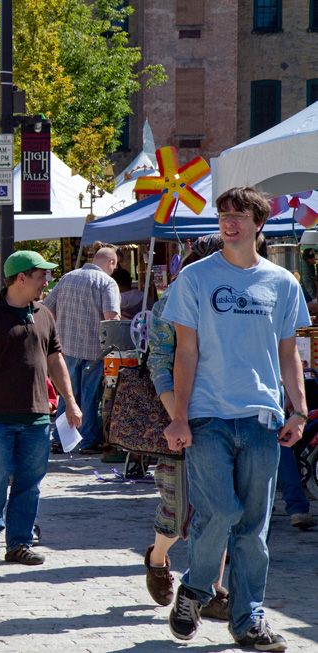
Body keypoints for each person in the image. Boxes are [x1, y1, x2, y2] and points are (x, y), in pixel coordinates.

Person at [162, 187, 310, 651]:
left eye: (239, 215)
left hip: (263, 419)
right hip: (208, 418)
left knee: (254, 528)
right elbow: (184, 352)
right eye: (223, 214)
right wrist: (179, 417)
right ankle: (197, 588)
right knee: (221, 511)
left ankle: (249, 621)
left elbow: (289, 355)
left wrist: (299, 409)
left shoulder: (283, 283)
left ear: (258, 223)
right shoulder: (195, 278)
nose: (228, 222)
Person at [0, 251, 82, 565]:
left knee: (30, 482)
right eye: (41, 275)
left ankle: (19, 543)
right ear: (21, 278)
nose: (47, 280)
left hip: (37, 415)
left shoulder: (44, 313)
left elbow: (56, 360)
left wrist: (69, 402)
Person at [144, 234, 230, 620]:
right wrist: (178, 415)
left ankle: (213, 588)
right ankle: (158, 556)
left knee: (222, 508)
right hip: (179, 416)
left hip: (226, 416)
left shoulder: (236, 303)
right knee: (178, 513)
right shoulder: (173, 302)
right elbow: (159, 362)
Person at [42, 246, 120, 454]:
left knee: (67, 394)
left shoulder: (68, 278)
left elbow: (47, 307)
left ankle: (60, 439)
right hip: (95, 348)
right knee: (89, 396)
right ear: (110, 262)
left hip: (66, 346)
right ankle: (88, 442)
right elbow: (111, 317)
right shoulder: (107, 282)